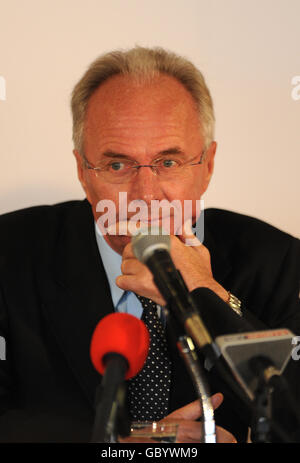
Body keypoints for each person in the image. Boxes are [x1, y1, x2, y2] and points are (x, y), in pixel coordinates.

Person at [0, 46, 299, 443]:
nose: (144, 195)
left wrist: (205, 292)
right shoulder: (9, 255)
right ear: (82, 172)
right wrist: (119, 450)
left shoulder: (278, 262)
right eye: (117, 165)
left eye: (169, 162)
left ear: (207, 166)